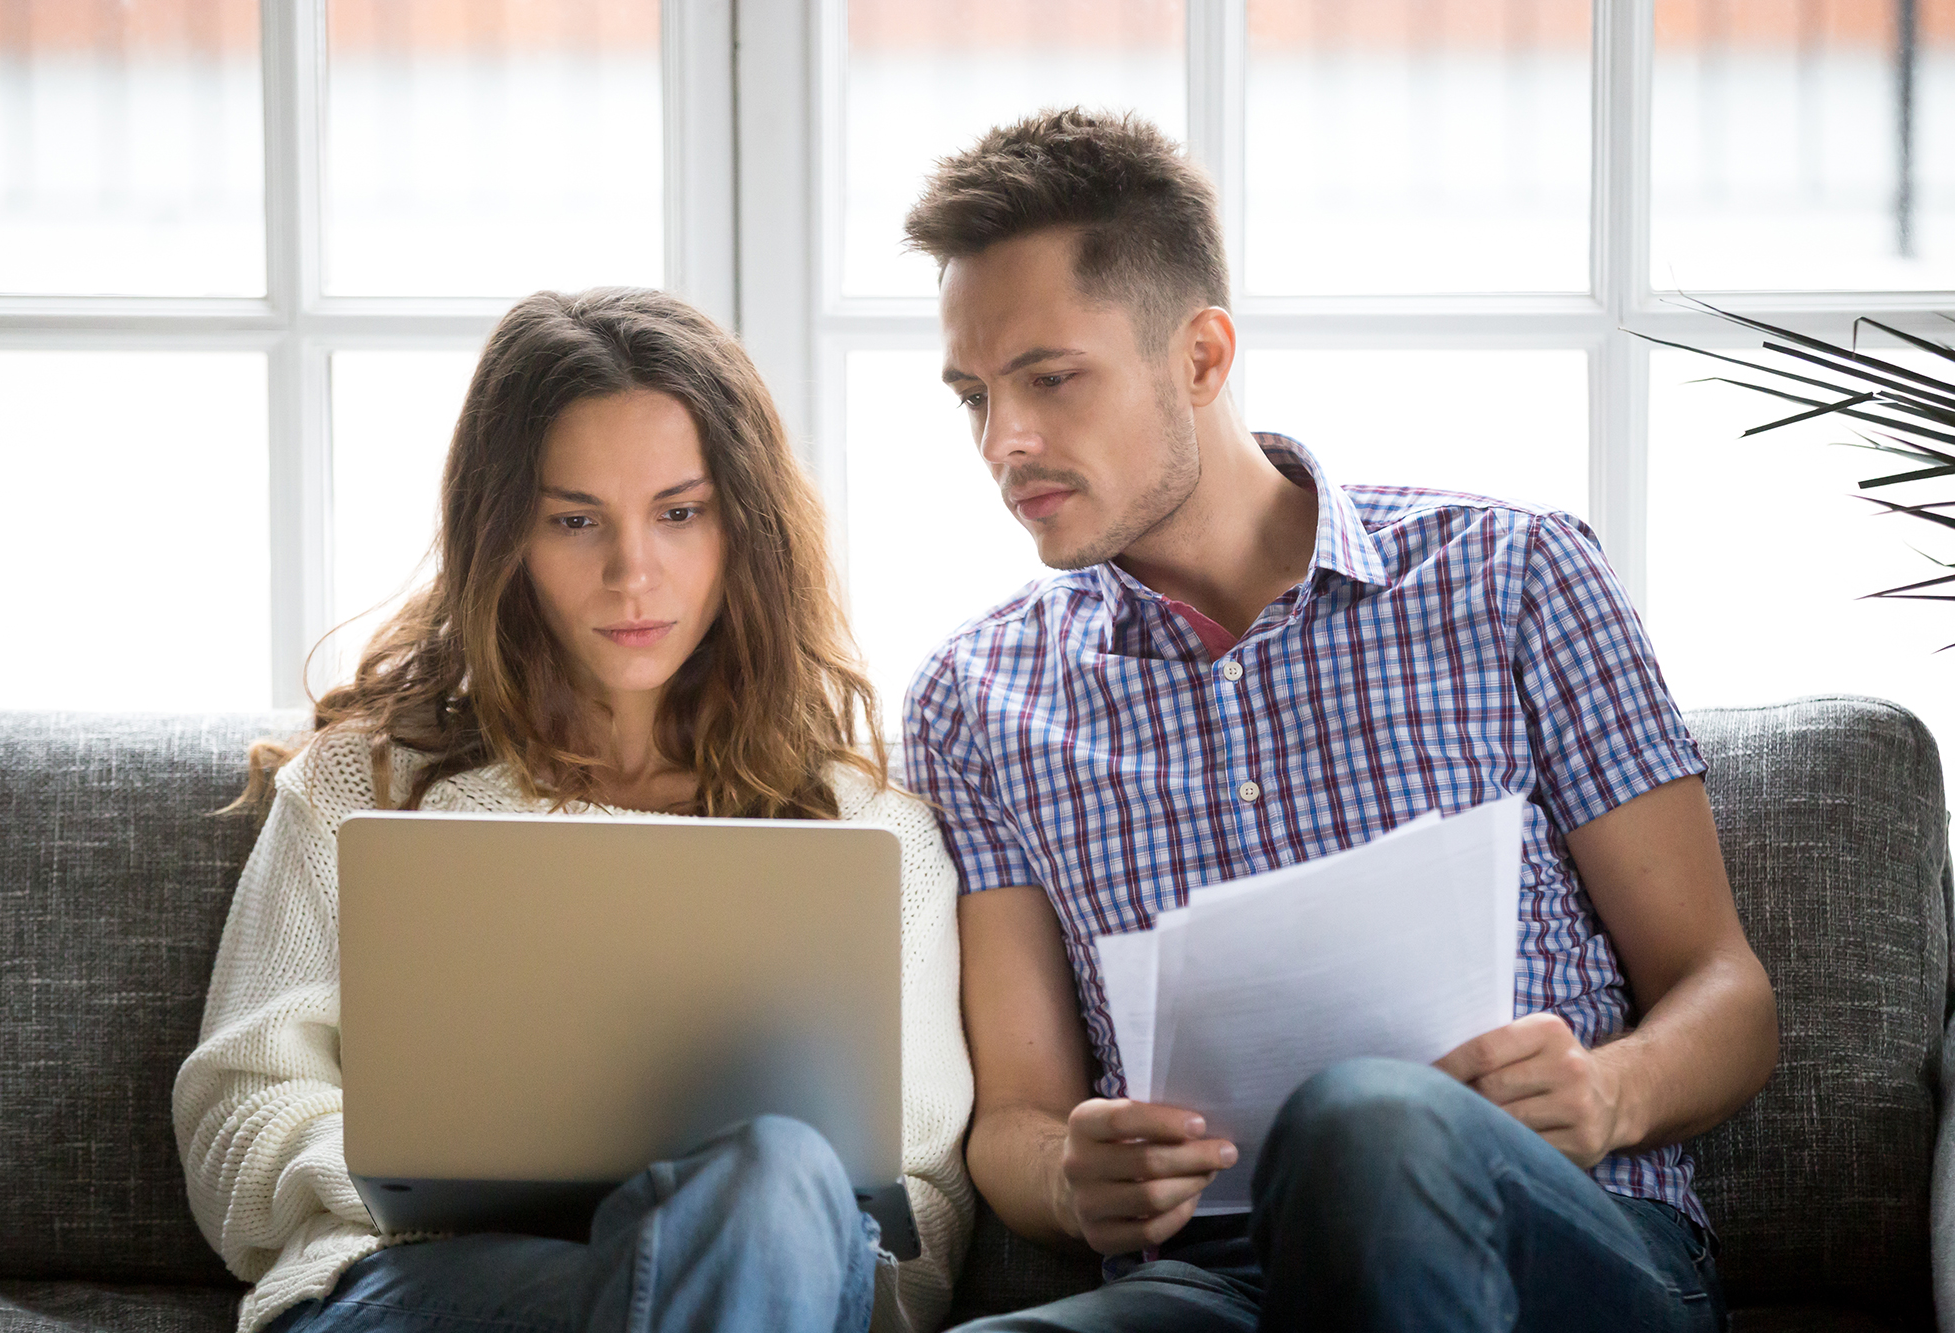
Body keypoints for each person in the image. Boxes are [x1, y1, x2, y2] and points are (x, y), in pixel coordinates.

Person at [898, 109, 1777, 1332]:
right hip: (1213, 1281)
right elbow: (1015, 1120)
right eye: (971, 397)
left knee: (1365, 1122)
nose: (1005, 445)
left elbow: (1725, 992)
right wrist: (1066, 1173)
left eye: (1049, 379)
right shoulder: (975, 699)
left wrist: (1610, 1093)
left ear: (1200, 357)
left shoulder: (1512, 575)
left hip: (1534, 1239)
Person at [173, 288, 974, 1333]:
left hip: (753, 1285)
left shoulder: (868, 835)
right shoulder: (362, 788)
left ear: (748, 528)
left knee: (777, 1174)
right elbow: (240, 1113)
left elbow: (919, 1202)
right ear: (505, 535)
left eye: (679, 513)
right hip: (423, 1288)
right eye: (574, 520)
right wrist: (413, 1188)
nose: (631, 573)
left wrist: (706, 1234)